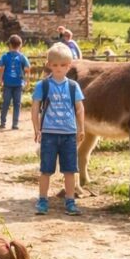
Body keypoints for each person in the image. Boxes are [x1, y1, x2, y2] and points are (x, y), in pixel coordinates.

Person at [30, 43, 85, 216]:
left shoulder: (73, 86)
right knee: (45, 169)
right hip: (49, 134)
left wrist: (81, 128)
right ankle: (42, 200)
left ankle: (70, 200)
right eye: (55, 65)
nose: (59, 69)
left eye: (63, 65)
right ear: (49, 65)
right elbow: (35, 108)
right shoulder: (43, 85)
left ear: (69, 66)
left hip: (69, 134)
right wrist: (37, 129)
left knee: (70, 170)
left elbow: (79, 108)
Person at [0, 34, 30, 130]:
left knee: (6, 103)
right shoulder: (22, 57)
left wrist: (0, 79)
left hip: (7, 83)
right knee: (17, 104)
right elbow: (27, 69)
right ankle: (15, 124)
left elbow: (1, 69)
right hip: (18, 84)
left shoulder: (5, 56)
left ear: (9, 45)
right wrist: (26, 80)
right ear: (20, 45)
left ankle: (2, 123)